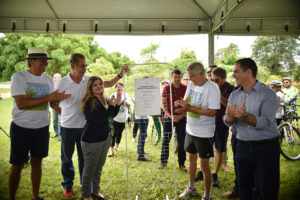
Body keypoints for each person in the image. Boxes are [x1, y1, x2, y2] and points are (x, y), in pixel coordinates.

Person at [55, 53, 129, 197]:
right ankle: (68, 184)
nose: (84, 68)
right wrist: (61, 113)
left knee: (85, 160)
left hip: (85, 127)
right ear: (72, 65)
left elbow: (106, 83)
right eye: (81, 66)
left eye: (85, 65)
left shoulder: (88, 80)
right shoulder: (62, 83)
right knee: (67, 157)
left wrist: (120, 74)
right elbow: (53, 102)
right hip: (68, 127)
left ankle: (86, 185)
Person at [8, 47, 70, 200]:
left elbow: (52, 103)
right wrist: (48, 98)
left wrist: (60, 105)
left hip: (41, 128)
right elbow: (21, 103)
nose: (45, 64)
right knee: (17, 166)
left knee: (37, 162)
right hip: (21, 128)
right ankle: (11, 197)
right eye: (42, 60)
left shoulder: (48, 80)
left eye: (46, 61)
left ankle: (35, 197)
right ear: (31, 61)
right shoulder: (19, 77)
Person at [224, 58, 280, 200]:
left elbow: (265, 122)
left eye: (236, 71)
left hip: (266, 147)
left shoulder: (267, 94)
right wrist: (230, 116)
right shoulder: (234, 94)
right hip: (242, 146)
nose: (233, 75)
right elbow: (227, 120)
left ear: (248, 72)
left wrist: (245, 116)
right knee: (244, 188)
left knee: (267, 190)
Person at [176, 62, 220, 200]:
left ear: (201, 73)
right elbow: (187, 101)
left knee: (205, 165)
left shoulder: (212, 88)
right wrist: (182, 105)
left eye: (192, 76)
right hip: (190, 129)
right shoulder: (191, 84)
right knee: (191, 159)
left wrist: (189, 108)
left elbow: (213, 112)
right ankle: (191, 187)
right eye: (189, 76)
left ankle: (207, 195)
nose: (190, 79)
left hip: (204, 132)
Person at [80, 76, 121, 200]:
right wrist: (112, 106)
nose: (99, 86)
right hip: (91, 140)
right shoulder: (88, 101)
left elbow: (111, 116)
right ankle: (86, 195)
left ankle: (95, 191)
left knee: (99, 166)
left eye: (100, 84)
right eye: (95, 85)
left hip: (105, 138)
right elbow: (98, 119)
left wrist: (117, 104)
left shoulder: (104, 98)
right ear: (90, 88)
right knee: (89, 168)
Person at [158, 69, 187, 171]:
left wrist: (181, 115)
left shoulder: (185, 88)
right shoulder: (166, 88)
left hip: (181, 118)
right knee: (166, 140)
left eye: (179, 77)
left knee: (182, 141)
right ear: (171, 77)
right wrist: (170, 116)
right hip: (168, 118)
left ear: (181, 77)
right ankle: (163, 162)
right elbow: (163, 103)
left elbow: (188, 105)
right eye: (175, 77)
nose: (177, 79)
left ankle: (182, 164)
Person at [210, 67, 234, 187]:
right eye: (213, 80)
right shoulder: (210, 86)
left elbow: (229, 106)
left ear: (224, 78)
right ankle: (204, 171)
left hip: (222, 122)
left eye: (217, 80)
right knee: (207, 147)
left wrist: (218, 94)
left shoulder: (231, 89)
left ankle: (215, 173)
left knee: (220, 148)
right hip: (209, 121)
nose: (214, 82)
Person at [108, 83, 131, 157]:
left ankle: (117, 146)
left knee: (119, 134)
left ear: (123, 89)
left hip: (123, 119)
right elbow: (109, 104)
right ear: (115, 88)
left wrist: (124, 102)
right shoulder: (113, 95)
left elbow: (129, 105)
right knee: (112, 135)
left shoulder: (126, 95)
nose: (119, 89)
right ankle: (111, 150)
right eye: (118, 87)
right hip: (115, 119)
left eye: (121, 88)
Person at [52, 73, 62, 140]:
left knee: (60, 121)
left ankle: (60, 135)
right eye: (54, 77)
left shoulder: (62, 85)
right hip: (53, 104)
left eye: (55, 77)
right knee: (54, 120)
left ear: (60, 78)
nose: (54, 78)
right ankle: (56, 132)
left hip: (60, 104)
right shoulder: (51, 85)